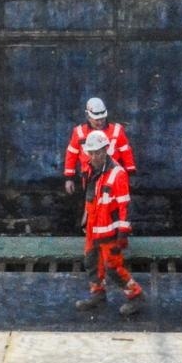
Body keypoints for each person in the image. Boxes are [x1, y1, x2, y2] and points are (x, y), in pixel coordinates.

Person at [75, 130, 144, 316]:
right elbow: (91, 196)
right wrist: (86, 216)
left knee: (112, 267)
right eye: (91, 153)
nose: (94, 156)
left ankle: (136, 295)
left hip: (109, 231)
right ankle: (97, 294)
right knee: (91, 262)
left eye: (98, 152)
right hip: (93, 226)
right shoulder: (89, 169)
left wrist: (123, 233)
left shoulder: (117, 174)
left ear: (106, 149)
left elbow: (124, 206)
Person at [61, 95, 136, 195]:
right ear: (88, 116)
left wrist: (131, 174)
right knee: (91, 203)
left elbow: (126, 152)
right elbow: (71, 155)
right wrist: (69, 178)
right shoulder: (79, 132)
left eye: (102, 119)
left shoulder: (117, 130)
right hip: (89, 178)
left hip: (113, 177)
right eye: (97, 120)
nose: (100, 122)